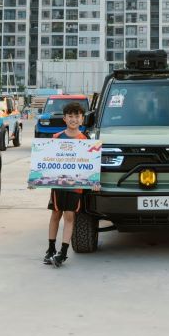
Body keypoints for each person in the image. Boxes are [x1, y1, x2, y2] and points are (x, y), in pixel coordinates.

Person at [42, 101, 98, 267]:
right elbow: (46, 161)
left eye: (77, 116)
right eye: (70, 116)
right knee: (55, 215)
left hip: (76, 186)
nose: (74, 119)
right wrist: (37, 179)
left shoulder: (86, 141)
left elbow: (90, 166)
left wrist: (94, 182)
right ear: (65, 119)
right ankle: (51, 249)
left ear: (82, 119)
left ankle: (63, 252)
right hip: (58, 184)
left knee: (69, 216)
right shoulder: (56, 138)